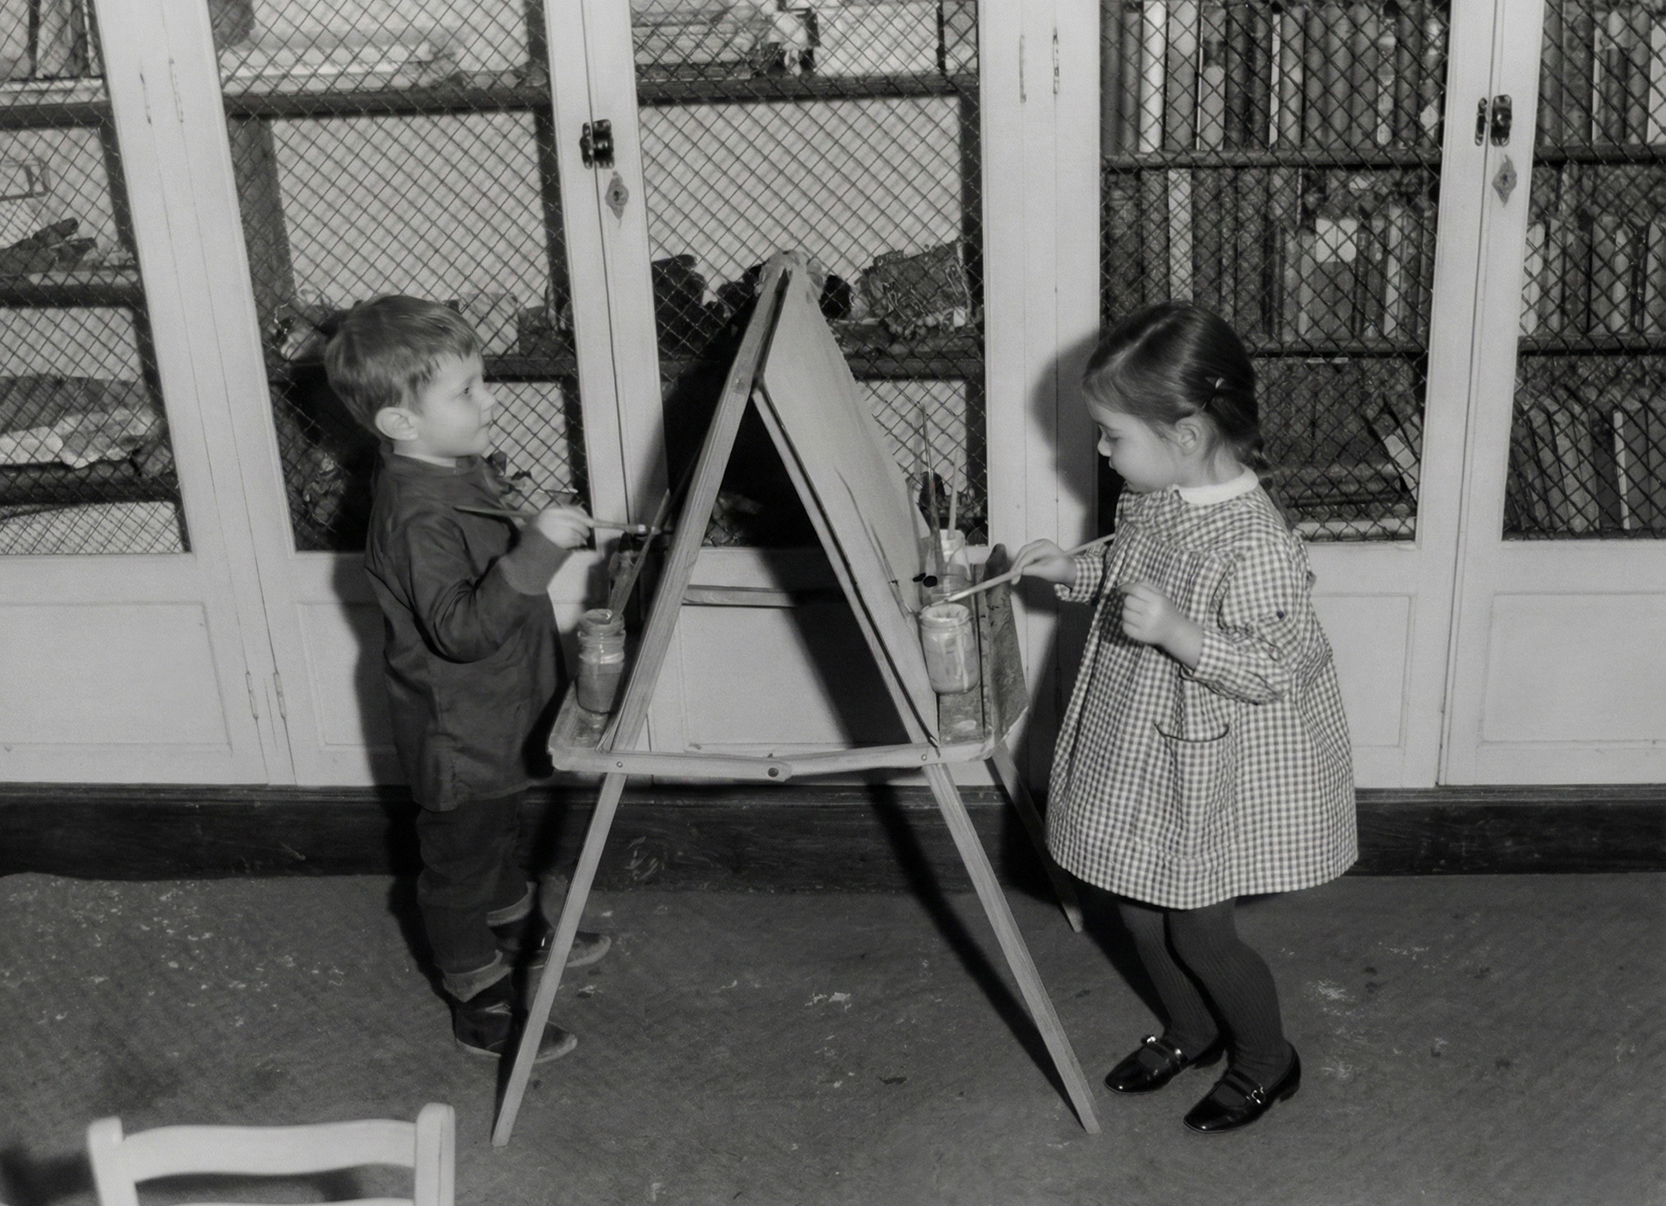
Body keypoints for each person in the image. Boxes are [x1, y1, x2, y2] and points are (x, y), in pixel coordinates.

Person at [1012, 301, 1356, 1134]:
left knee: (1201, 934)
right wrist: (1074, 570)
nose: (1099, 450)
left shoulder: (1257, 545)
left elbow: (1280, 666)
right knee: (1133, 906)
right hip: (1143, 741)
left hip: (1214, 760)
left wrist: (1182, 634)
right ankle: (1193, 1029)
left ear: (1189, 435)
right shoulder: (1154, 498)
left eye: (1112, 435)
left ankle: (1269, 1059)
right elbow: (1131, 572)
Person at [325, 295, 611, 1063]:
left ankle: (514, 921)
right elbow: (458, 629)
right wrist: (537, 549)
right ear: (400, 424)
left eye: (482, 380)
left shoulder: (448, 469)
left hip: (497, 712)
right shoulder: (414, 514)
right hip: (459, 732)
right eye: (467, 391)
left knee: (499, 830)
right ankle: (477, 993)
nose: (490, 399)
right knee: (459, 862)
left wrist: (523, 527)